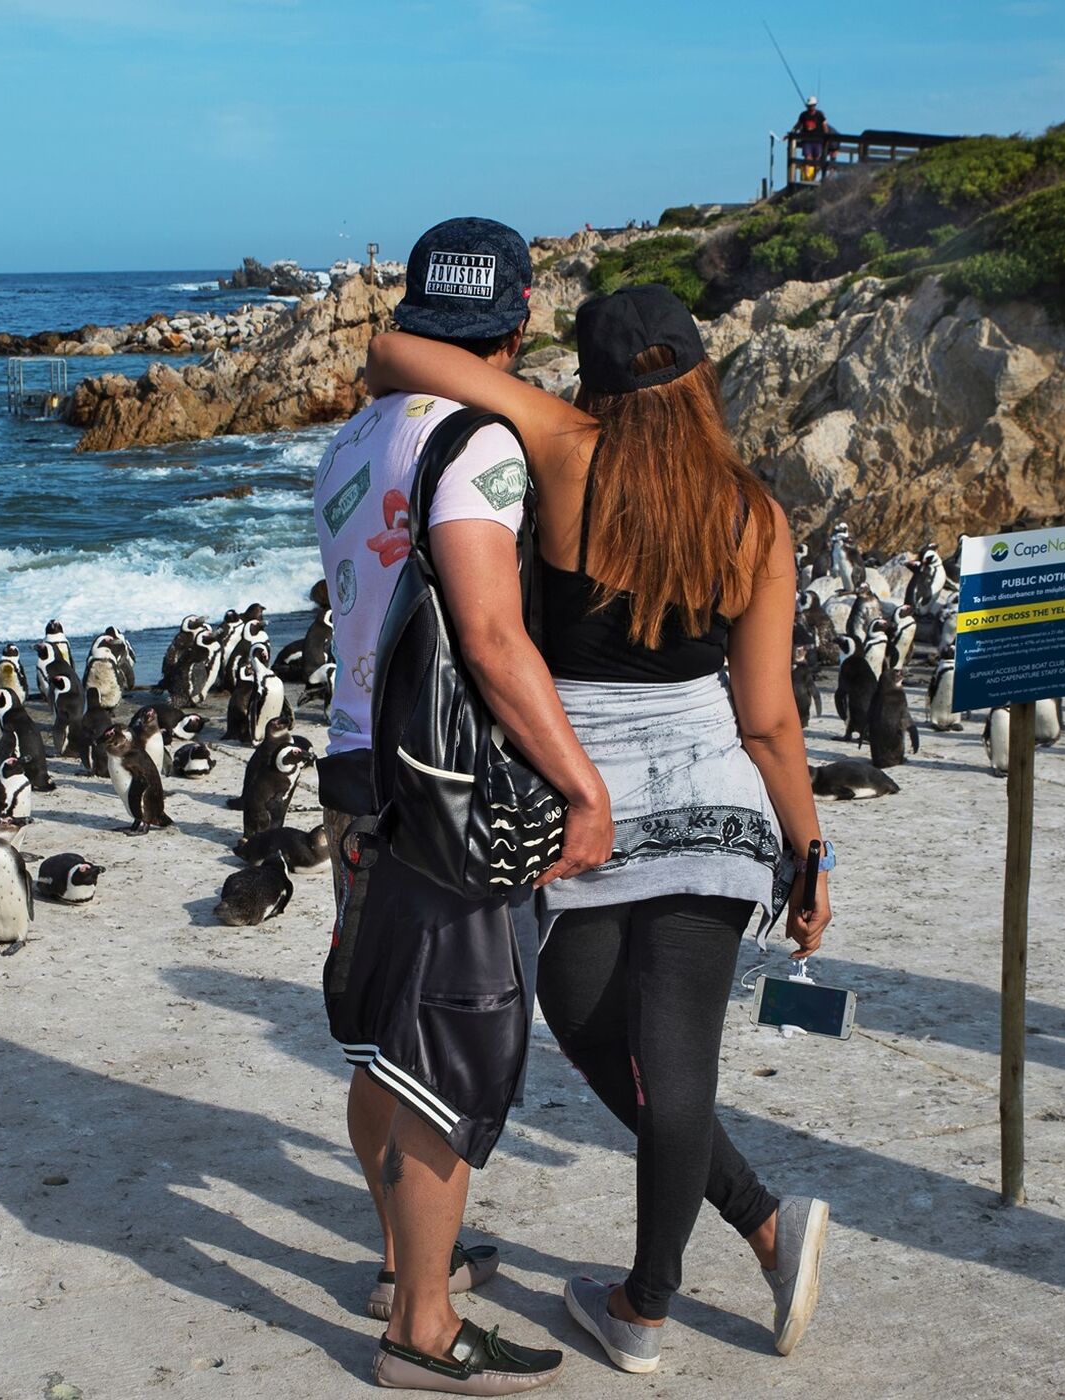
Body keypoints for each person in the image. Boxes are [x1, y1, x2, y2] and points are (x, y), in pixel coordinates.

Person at [365, 283, 835, 1377]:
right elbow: (766, 716)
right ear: (702, 375)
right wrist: (807, 851)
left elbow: (391, 348)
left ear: (593, 378)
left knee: (591, 1033)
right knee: (673, 1069)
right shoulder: (752, 511)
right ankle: (694, 1271)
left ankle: (653, 1299)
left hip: (579, 809)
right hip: (717, 807)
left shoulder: (563, 443)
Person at [312, 217, 613, 1394]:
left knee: (390, 1030)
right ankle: (422, 1329)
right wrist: (579, 784)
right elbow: (489, 635)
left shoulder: (349, 442)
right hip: (444, 782)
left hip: (354, 765)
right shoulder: (481, 442)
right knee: (453, 1041)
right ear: (521, 315)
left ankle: (401, 1263)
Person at [790, 96, 831, 181]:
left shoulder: (820, 115)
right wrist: (792, 132)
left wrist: (827, 138)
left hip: (818, 141)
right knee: (807, 159)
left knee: (817, 160)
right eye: (809, 105)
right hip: (807, 141)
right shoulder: (803, 115)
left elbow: (825, 127)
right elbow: (798, 125)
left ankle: (815, 177)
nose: (810, 107)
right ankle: (808, 178)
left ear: (815, 105)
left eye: (812, 105)